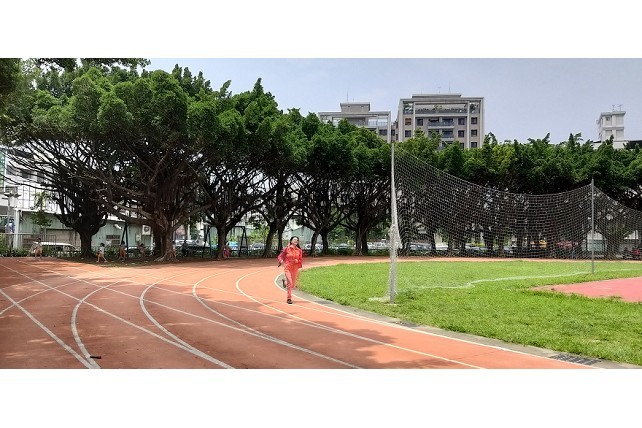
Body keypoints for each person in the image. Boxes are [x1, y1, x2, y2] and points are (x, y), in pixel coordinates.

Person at [277, 236, 303, 304]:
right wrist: (281, 261)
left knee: (292, 285)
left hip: (295, 268)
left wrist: (298, 261)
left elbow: (300, 259)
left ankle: (285, 282)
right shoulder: (286, 249)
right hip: (288, 267)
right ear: (291, 241)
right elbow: (280, 256)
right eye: (294, 240)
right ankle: (289, 298)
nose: (296, 241)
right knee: (290, 282)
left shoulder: (299, 250)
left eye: (297, 240)